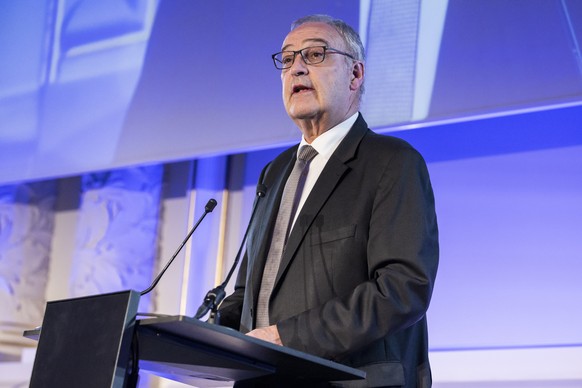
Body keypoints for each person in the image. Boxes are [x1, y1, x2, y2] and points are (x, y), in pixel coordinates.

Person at [218, 14, 439, 387]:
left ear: (356, 75)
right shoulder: (275, 172)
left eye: (315, 55)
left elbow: (403, 288)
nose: (297, 69)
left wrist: (287, 338)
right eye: (287, 59)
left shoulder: (392, 162)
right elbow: (249, 294)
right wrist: (204, 336)